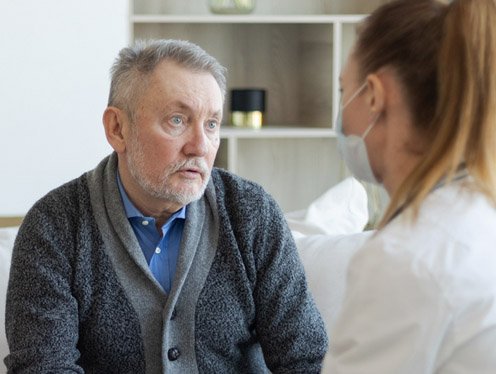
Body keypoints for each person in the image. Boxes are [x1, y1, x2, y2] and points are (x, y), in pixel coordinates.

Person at [5, 39, 328, 373]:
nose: (200, 146)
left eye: (212, 124)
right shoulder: (53, 227)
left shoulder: (252, 214)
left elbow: (305, 361)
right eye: (177, 120)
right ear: (118, 129)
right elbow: (43, 368)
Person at [322, 0, 496, 372]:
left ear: (373, 96)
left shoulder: (404, 258)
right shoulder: (479, 215)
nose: (340, 115)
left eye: (342, 91)